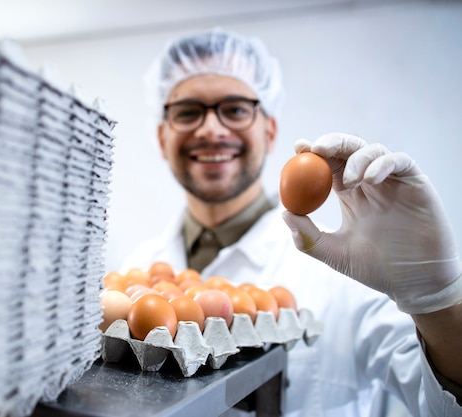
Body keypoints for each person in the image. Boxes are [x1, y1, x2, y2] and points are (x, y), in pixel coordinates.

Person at [120, 27, 462, 416]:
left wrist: (437, 302)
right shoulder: (137, 270)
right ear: (162, 137)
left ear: (269, 130)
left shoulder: (349, 272)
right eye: (187, 111)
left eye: (234, 109)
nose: (211, 129)